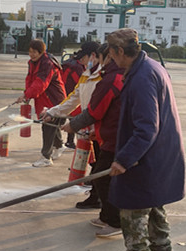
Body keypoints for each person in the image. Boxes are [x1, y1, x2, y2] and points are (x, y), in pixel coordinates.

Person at [102, 28, 186, 251]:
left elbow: (147, 127)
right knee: (153, 201)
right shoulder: (151, 67)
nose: (110, 58)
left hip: (146, 153)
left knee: (133, 204)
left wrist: (124, 159)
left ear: (120, 51)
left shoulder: (141, 78)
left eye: (111, 53)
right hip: (160, 151)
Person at [63, 44, 125, 237]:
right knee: (101, 175)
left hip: (114, 137)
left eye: (100, 57)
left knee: (102, 177)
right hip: (106, 134)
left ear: (108, 57)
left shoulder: (111, 79)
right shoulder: (108, 76)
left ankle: (115, 221)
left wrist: (73, 125)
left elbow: (95, 110)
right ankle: (106, 216)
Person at [41, 41, 105, 209]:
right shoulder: (86, 75)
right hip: (92, 128)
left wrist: (75, 124)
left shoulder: (104, 76)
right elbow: (73, 99)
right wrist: (53, 112)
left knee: (102, 165)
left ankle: (100, 200)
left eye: (83, 58)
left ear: (93, 56)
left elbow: (98, 107)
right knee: (97, 163)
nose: (81, 62)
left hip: (103, 129)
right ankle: (96, 196)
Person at [16, 39, 66, 168]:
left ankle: (46, 158)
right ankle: (59, 146)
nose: (31, 54)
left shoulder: (47, 64)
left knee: (48, 126)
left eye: (34, 52)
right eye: (30, 51)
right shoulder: (33, 62)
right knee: (52, 125)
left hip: (54, 100)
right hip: (44, 98)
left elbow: (41, 83)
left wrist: (27, 94)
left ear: (41, 52)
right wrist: (27, 93)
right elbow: (30, 79)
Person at [60, 46, 87, 149]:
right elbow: (80, 82)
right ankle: (69, 142)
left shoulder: (68, 64)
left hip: (63, 93)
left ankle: (64, 142)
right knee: (74, 118)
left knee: (63, 119)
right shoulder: (77, 67)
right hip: (72, 95)